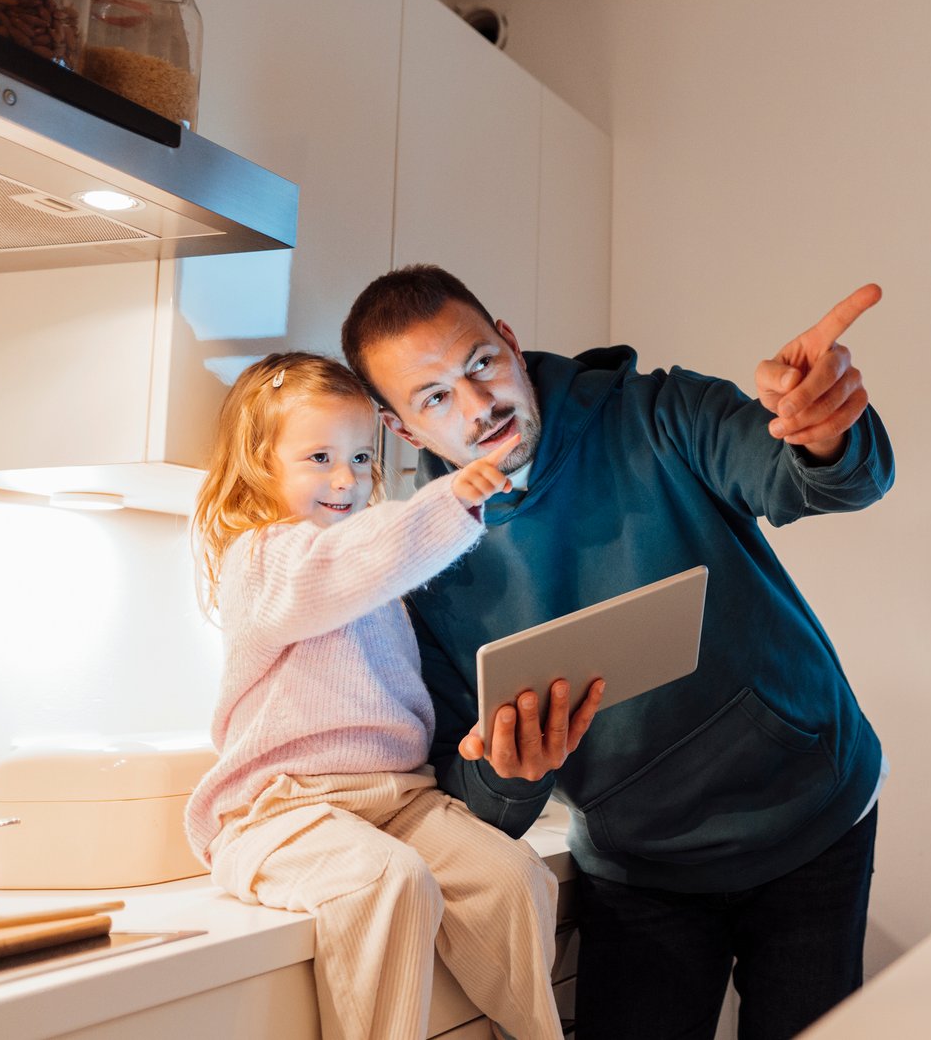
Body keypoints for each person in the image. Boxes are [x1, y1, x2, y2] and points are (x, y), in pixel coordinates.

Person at [339, 266, 892, 1040]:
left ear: (510, 344)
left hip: (807, 813)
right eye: (434, 398)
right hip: (640, 867)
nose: (478, 405)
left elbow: (808, 479)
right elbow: (466, 793)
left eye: (480, 365)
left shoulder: (656, 409)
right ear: (403, 429)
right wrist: (509, 771)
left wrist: (821, 433)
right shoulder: (423, 569)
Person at [184, 352, 564, 1040]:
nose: (347, 479)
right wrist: (447, 503)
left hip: (398, 798)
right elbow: (347, 563)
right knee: (386, 883)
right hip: (281, 808)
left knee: (515, 879)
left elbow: (366, 561)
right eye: (320, 457)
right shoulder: (262, 558)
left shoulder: (370, 573)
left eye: (362, 457)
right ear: (259, 462)